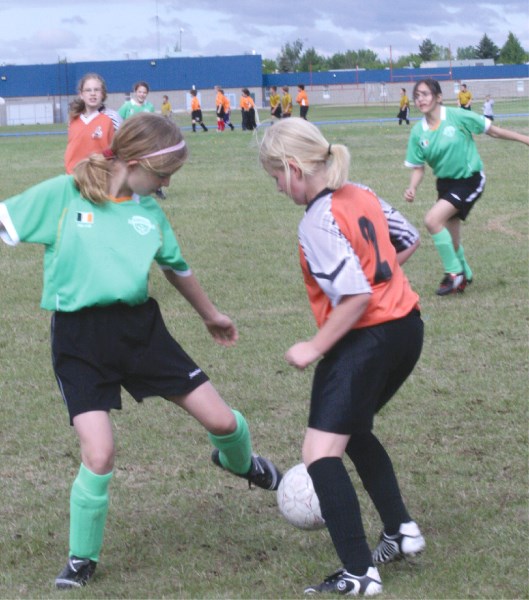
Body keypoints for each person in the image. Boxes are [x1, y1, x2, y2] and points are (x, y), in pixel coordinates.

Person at [0, 112, 282, 590]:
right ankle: (81, 559)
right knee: (100, 452)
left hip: (141, 333)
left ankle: (241, 463)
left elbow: (176, 268)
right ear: (134, 161)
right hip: (80, 339)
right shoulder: (63, 195)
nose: (168, 182)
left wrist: (211, 314)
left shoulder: (149, 211)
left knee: (222, 422)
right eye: (164, 173)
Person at [258, 117, 424, 597]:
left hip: (366, 339)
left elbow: (352, 297)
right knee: (352, 431)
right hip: (407, 329)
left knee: (319, 452)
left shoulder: (316, 219)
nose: (277, 187)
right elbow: (407, 240)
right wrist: (383, 281)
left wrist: (314, 346)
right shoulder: (363, 192)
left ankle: (358, 572)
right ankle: (401, 530)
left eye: (275, 177)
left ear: (293, 168)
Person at [405, 78, 529, 295]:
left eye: (425, 94)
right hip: (445, 184)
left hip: (470, 180)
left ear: (438, 97)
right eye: (416, 96)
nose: (420, 99)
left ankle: (454, 274)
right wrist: (413, 187)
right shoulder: (418, 132)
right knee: (451, 242)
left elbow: (493, 130)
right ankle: (465, 273)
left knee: (432, 220)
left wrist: (525, 138)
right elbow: (418, 167)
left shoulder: (457, 116)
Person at [64, 73, 122, 174]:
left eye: (96, 90)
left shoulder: (112, 118)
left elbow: (119, 148)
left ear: (103, 94)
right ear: (81, 95)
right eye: (88, 90)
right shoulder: (73, 119)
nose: (92, 93)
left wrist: (106, 161)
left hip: (100, 177)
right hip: (75, 176)